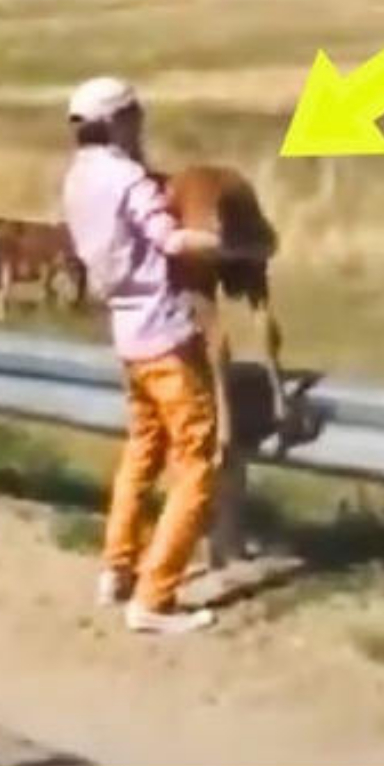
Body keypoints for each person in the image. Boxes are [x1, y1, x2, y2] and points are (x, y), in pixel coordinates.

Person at [62, 76, 229, 634]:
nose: (141, 125)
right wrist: (231, 247)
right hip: (163, 333)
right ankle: (155, 599)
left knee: (143, 448)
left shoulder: (77, 179)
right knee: (197, 460)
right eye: (135, 116)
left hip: (125, 335)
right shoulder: (129, 178)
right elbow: (172, 241)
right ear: (118, 121)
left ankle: (117, 567)